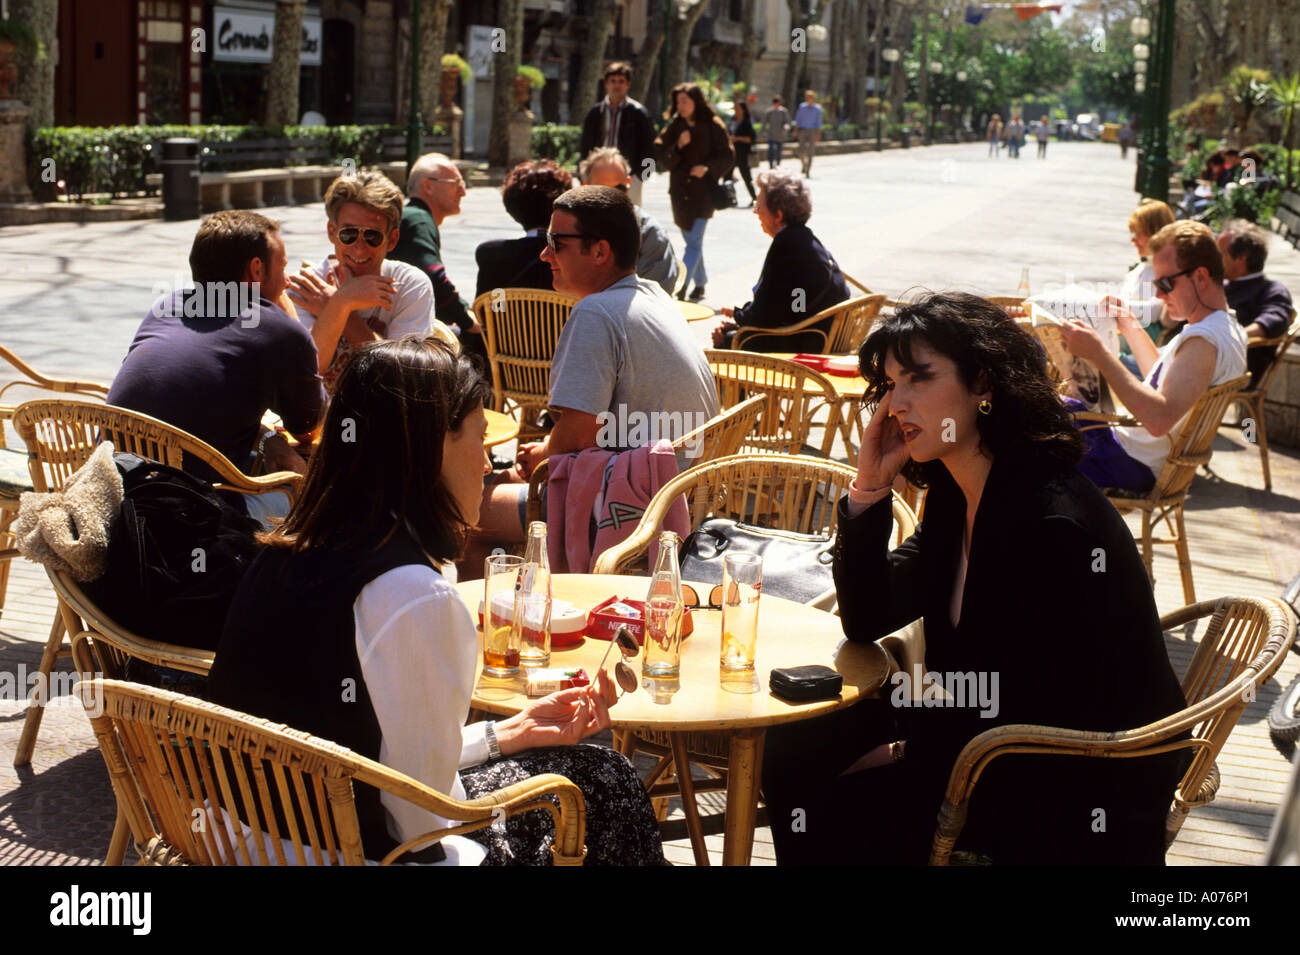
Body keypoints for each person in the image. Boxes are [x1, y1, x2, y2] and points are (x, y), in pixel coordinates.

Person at [761, 292, 1190, 865]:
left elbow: (1033, 702)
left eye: (917, 379)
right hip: (984, 734)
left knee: (828, 800)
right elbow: (866, 618)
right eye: (890, 384)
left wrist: (901, 749)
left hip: (1076, 780)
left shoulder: (1048, 519)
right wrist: (868, 490)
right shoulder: (956, 493)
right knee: (792, 743)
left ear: (983, 384)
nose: (896, 404)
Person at [207, 338, 665, 867]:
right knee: (602, 782)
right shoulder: (415, 596)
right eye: (480, 441)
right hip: (356, 853)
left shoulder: (287, 548)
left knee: (587, 771)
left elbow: (373, 757)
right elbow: (420, 820)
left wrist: (508, 733)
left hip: (242, 839)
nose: (489, 466)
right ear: (433, 448)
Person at [107, 210, 324, 490]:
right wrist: (290, 318)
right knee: (311, 501)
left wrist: (269, 439)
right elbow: (308, 429)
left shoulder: (166, 308)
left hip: (114, 493)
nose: (286, 282)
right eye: (282, 269)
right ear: (257, 270)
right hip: (192, 514)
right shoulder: (276, 329)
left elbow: (183, 408)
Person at [1062, 220, 1247, 494]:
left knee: (1020, 431)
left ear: (1200, 277)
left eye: (1165, 283)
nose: (1159, 294)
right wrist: (1128, 323)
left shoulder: (1203, 341)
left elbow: (1159, 419)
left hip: (1129, 462)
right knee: (1035, 411)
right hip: (1132, 453)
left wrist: (1099, 354)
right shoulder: (1223, 327)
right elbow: (1164, 382)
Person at [286, 172, 446, 391]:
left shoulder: (410, 285)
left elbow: (400, 378)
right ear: (332, 233)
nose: (359, 248)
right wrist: (342, 302)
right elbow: (307, 373)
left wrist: (340, 304)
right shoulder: (308, 286)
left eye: (372, 236)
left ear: (392, 240)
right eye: (349, 234)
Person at [712, 169, 850, 352]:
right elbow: (791, 303)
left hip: (807, 342)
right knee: (736, 334)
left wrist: (740, 320)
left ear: (778, 215)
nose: (755, 212)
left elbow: (768, 312)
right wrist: (742, 318)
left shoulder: (786, 244)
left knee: (725, 341)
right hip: (822, 332)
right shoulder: (804, 238)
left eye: (758, 206)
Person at [390, 153, 486, 368]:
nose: (463, 191)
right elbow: (433, 275)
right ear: (428, 186)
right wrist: (467, 321)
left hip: (402, 320)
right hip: (410, 333)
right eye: (456, 184)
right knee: (481, 341)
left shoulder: (413, 216)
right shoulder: (419, 219)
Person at [654, 83, 735, 303]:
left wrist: (707, 168)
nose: (680, 106)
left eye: (685, 101)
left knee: (693, 244)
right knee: (693, 244)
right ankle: (700, 285)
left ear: (696, 102)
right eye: (678, 101)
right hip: (680, 194)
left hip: (704, 195)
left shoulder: (713, 125)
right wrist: (678, 146)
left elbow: (728, 156)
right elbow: (661, 156)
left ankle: (679, 289)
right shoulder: (675, 126)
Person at [579, 146, 679, 294]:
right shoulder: (570, 226)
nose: (611, 197)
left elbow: (655, 297)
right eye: (602, 191)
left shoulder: (649, 233)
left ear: (628, 183)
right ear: (585, 187)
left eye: (618, 188)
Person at [473, 160, 572, 297]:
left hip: (505, 319)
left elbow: (489, 310)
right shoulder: (576, 257)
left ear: (512, 207)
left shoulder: (490, 255)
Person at [1217, 218, 1295, 386]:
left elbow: (1272, 322)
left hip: (1236, 372)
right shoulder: (1221, 285)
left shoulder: (1271, 291)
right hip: (1209, 362)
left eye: (1221, 252)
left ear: (1241, 259)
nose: (1215, 258)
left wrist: (1224, 341)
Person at [578, 61, 656, 207]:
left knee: (629, 215)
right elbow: (585, 145)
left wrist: (642, 177)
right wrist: (583, 172)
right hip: (599, 174)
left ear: (628, 84)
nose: (616, 85)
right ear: (606, 84)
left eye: (621, 81)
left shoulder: (639, 113)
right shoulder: (595, 113)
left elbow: (650, 148)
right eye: (613, 81)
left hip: (629, 176)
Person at [1115, 198, 1178, 375]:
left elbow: (1162, 310)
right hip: (1128, 330)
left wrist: (1119, 308)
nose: (1133, 240)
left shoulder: (1168, 269)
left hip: (1147, 340)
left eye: (1138, 234)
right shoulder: (1141, 268)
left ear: (1154, 234)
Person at [728, 101, 758, 206]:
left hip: (742, 154)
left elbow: (751, 139)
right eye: (735, 108)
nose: (736, 110)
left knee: (746, 177)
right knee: (727, 176)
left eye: (738, 108)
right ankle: (730, 198)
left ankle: (755, 198)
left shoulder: (746, 123)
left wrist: (737, 138)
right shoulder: (732, 120)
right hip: (731, 153)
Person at [793, 90, 823, 177]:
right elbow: (797, 120)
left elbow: (819, 122)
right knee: (801, 151)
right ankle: (804, 166)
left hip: (812, 131)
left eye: (810, 97)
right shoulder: (802, 107)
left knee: (811, 151)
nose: (808, 99)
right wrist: (795, 131)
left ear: (813, 98)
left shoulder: (817, 108)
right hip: (802, 130)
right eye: (807, 97)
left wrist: (818, 134)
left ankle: (808, 170)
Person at [764, 95, 791, 168]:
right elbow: (764, 123)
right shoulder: (769, 112)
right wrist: (761, 135)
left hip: (780, 135)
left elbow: (787, 121)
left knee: (779, 152)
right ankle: (771, 166)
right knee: (771, 151)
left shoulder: (783, 111)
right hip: (771, 134)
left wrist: (787, 126)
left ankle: (778, 166)